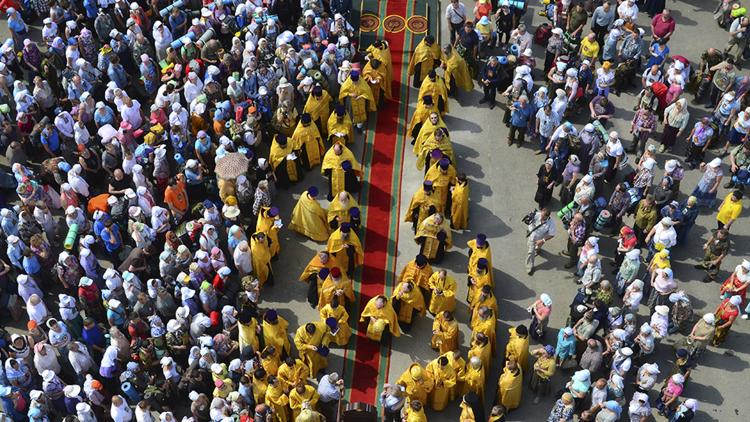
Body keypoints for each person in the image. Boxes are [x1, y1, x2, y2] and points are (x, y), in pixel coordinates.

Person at [526, 208, 556, 275]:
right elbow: (528, 221)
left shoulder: (551, 223)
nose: (541, 218)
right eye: (541, 215)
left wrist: (542, 240)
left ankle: (538, 249)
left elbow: (552, 234)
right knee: (531, 252)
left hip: (541, 237)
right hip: (532, 236)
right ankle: (529, 267)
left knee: (538, 246)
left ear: (548, 217)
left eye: (543, 217)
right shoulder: (536, 215)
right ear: (541, 211)